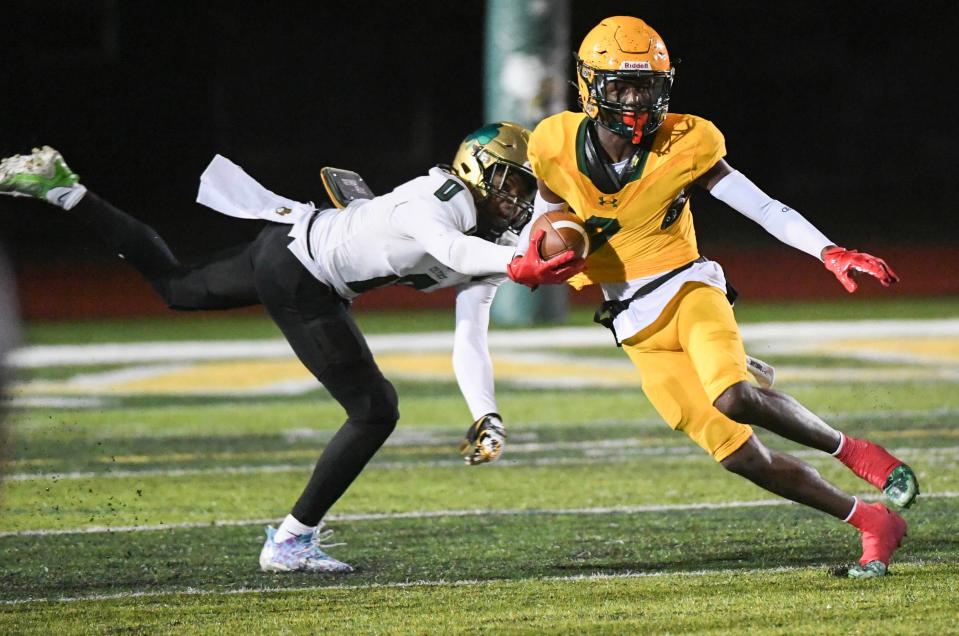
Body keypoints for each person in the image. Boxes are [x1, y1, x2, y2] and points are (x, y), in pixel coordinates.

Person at [0, 122, 581, 572]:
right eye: (513, 181)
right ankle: (292, 541)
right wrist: (517, 260)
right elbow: (450, 253)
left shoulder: (490, 241)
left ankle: (66, 192)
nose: (521, 196)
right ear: (479, 171)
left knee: (176, 287)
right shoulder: (439, 197)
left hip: (289, 241)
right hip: (303, 275)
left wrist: (486, 413)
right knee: (375, 410)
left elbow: (470, 333)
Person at [519, 16, 918, 579]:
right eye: (622, 85)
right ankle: (870, 521)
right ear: (589, 86)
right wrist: (529, 257)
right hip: (633, 326)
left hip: (687, 288)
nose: (636, 99)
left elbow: (760, 205)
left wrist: (828, 251)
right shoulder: (552, 143)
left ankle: (856, 452)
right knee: (741, 457)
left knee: (732, 396)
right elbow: (543, 216)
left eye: (647, 85)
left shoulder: (687, 140)